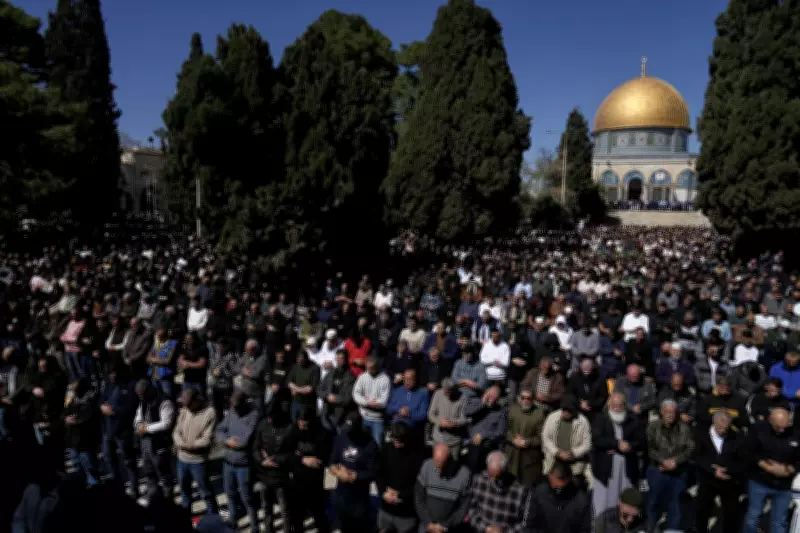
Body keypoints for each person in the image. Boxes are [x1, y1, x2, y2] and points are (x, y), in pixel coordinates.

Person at [743, 407, 798, 533]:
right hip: (759, 480)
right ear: (770, 420)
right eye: (778, 426)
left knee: (779, 521)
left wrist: (789, 469)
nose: (783, 429)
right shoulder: (758, 429)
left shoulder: (795, 433)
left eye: (785, 426)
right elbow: (749, 451)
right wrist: (767, 466)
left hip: (784, 485)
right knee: (753, 516)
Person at [645, 399, 694, 532]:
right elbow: (650, 448)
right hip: (657, 469)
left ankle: (672, 529)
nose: (669, 415)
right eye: (666, 412)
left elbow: (690, 449)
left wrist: (675, 462)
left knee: (676, 503)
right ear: (661, 412)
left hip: (678, 471)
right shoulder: (652, 426)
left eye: (672, 412)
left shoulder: (685, 428)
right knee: (653, 500)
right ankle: (651, 527)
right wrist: (663, 461)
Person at [591, 392, 642, 517]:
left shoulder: (633, 420)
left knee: (626, 499)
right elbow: (597, 439)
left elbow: (641, 441)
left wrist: (629, 446)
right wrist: (616, 444)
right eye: (614, 405)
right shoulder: (601, 419)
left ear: (624, 405)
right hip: (606, 467)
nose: (616, 408)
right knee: (604, 503)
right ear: (609, 405)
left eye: (619, 405)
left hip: (627, 466)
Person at [329, 411, 379, 533]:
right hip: (340, 493)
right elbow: (332, 462)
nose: (348, 432)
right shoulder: (341, 437)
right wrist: (338, 472)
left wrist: (354, 476)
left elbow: (373, 472)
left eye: (351, 429)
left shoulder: (370, 444)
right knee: (342, 526)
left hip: (359, 497)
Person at [695, 410, 745, 533]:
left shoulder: (736, 437)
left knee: (730, 512)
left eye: (726, 425)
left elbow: (742, 460)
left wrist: (727, 469)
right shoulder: (701, 435)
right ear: (714, 422)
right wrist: (712, 470)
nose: (723, 428)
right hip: (707, 479)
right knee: (702, 510)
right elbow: (697, 457)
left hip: (728, 480)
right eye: (720, 425)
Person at [252, 393, 295, 533]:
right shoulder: (262, 425)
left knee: (285, 509)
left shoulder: (289, 428)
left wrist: (275, 460)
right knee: (266, 507)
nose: (270, 420)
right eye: (268, 416)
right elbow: (255, 448)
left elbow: (293, 453)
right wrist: (262, 461)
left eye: (272, 417)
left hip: (280, 476)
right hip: (264, 475)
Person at [216, 390, 259, 530]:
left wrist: (228, 439)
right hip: (228, 462)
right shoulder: (231, 412)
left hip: (243, 465)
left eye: (237, 406)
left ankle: (254, 526)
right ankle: (233, 520)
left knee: (247, 498)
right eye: (232, 407)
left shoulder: (254, 415)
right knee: (230, 494)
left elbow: (244, 440)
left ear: (244, 403)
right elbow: (219, 430)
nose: (234, 409)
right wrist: (227, 441)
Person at [173, 387, 217, 515]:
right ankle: (186, 519)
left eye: (189, 405)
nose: (186, 408)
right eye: (184, 405)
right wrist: (180, 443)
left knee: (206, 493)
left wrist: (189, 446)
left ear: (197, 400)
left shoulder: (210, 412)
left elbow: (207, 439)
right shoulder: (184, 410)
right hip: (182, 460)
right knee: (184, 492)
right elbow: (176, 431)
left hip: (198, 462)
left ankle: (213, 519)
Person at [376, 421, 425, 533]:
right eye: (395, 439)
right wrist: (383, 492)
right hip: (386, 509)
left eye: (401, 440)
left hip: (406, 513)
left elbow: (420, 485)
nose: (397, 443)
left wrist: (400, 494)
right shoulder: (387, 448)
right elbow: (379, 474)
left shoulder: (418, 455)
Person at [414, 443, 472, 533]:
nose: (437, 471)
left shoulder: (464, 474)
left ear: (450, 460)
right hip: (426, 526)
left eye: (441, 466)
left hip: (448, 528)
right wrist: (428, 523)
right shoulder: (427, 466)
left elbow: (464, 506)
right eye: (435, 464)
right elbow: (419, 498)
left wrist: (445, 526)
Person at [100, 364, 139, 496]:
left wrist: (113, 412)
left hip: (123, 430)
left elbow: (132, 408)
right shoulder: (107, 384)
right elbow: (101, 399)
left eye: (114, 372)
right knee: (108, 458)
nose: (112, 376)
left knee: (128, 460)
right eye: (110, 373)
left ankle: (134, 488)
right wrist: (102, 406)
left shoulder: (131, 385)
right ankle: (118, 486)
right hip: (108, 429)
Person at [134, 379, 175, 502]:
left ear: (149, 390)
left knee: (163, 475)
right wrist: (138, 425)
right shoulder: (143, 402)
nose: (141, 397)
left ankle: (167, 499)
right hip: (146, 443)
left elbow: (166, 423)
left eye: (142, 394)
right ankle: (153, 496)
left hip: (159, 443)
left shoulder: (165, 401)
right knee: (149, 472)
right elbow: (138, 416)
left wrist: (146, 428)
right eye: (139, 395)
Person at [291, 406, 331, 533]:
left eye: (305, 425)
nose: (302, 427)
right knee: (297, 515)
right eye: (300, 423)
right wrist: (303, 460)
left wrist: (301, 456)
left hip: (315, 480)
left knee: (319, 512)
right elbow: (286, 454)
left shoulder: (322, 434)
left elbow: (323, 458)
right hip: (298, 480)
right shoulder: (293, 430)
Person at [522, 460, 591, 533]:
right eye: (556, 486)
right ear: (550, 475)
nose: (558, 489)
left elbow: (586, 530)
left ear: (569, 479)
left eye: (562, 487)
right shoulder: (537, 493)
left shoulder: (582, 500)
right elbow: (528, 526)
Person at [467, 451, 528, 533]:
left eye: (498, 476)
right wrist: (485, 528)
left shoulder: (520, 490)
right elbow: (471, 508)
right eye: (490, 474)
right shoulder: (479, 480)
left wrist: (504, 531)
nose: (493, 480)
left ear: (506, 470)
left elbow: (525, 522)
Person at [541, 395, 592, 480]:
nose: (566, 412)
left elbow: (587, 444)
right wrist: (557, 452)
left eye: (569, 410)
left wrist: (572, 453)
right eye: (564, 409)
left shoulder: (583, 421)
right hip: (554, 460)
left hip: (574, 463)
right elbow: (545, 437)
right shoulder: (552, 417)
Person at [64, 377, 101, 487]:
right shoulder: (71, 400)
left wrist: (76, 421)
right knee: (77, 470)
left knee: (90, 470)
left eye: (75, 390)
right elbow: (65, 413)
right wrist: (66, 417)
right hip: (73, 442)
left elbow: (89, 418)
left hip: (86, 443)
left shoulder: (90, 399)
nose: (73, 392)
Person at [505, 387, 545, 487]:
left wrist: (526, 442)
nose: (525, 401)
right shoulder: (512, 410)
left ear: (533, 400)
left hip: (529, 457)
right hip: (511, 453)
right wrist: (513, 439)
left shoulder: (539, 414)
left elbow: (541, 438)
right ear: (519, 398)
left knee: (527, 486)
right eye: (523, 398)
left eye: (528, 398)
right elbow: (505, 429)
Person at [465, 384, 507, 472]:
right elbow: (467, 412)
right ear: (486, 393)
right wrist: (482, 403)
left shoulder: (501, 412)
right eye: (490, 396)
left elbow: (500, 433)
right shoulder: (477, 402)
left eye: (495, 397)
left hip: (487, 444)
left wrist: (483, 435)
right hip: (471, 442)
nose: (492, 399)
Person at [352, 355, 391, 447]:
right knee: (363, 445)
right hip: (363, 417)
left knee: (378, 445)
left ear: (377, 367)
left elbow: (383, 402)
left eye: (371, 368)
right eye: (367, 368)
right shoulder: (362, 377)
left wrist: (366, 402)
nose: (369, 370)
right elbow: (356, 394)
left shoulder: (385, 379)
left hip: (378, 420)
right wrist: (367, 403)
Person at [427, 377, 469, 459]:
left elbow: (465, 419)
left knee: (453, 465)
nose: (447, 395)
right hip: (438, 439)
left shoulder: (463, 398)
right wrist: (440, 422)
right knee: (438, 463)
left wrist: (454, 423)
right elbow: (430, 414)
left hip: (454, 441)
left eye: (449, 392)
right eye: (445, 392)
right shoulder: (438, 394)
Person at [317, 348, 356, 434]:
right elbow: (319, 389)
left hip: (341, 415)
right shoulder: (330, 373)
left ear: (346, 359)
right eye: (337, 358)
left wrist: (336, 399)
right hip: (326, 412)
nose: (339, 361)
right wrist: (327, 396)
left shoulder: (351, 377)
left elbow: (350, 399)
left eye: (341, 358)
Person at [287, 346, 321, 422]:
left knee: (307, 425)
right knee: (294, 423)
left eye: (302, 360)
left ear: (306, 359)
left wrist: (296, 390)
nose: (300, 362)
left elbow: (310, 388)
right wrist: (297, 389)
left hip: (308, 404)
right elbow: (289, 382)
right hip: (296, 402)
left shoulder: (315, 368)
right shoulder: (295, 366)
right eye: (298, 360)